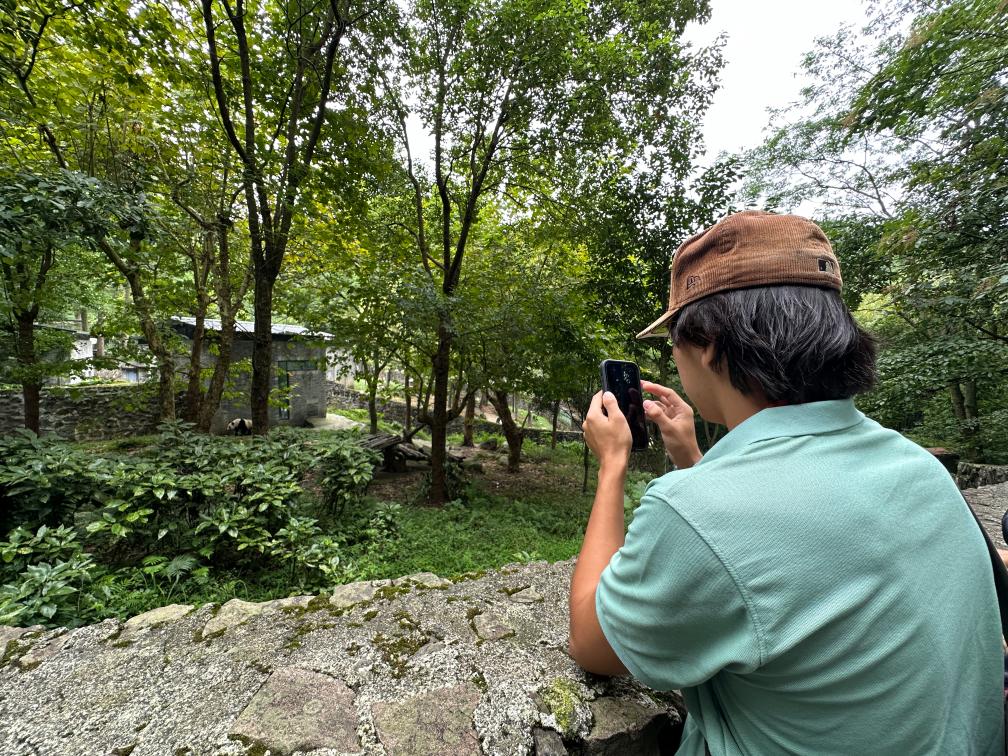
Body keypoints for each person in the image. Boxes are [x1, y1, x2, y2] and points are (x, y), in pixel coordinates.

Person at [569, 210, 1003, 755]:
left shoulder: (697, 512)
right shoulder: (917, 466)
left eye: (674, 340)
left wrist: (612, 463)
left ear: (707, 342)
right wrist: (693, 458)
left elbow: (592, 642)